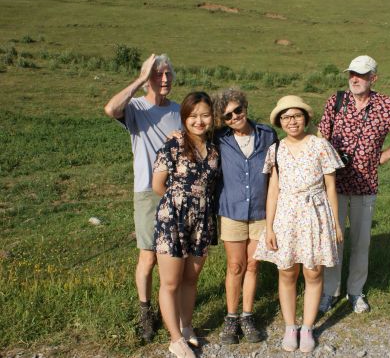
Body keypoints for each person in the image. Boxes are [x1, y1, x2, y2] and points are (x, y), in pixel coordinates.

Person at [317, 55, 390, 314]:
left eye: (362, 74)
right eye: (352, 74)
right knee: (333, 240)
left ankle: (355, 292)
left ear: (373, 78)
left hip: (366, 184)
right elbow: (321, 134)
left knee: (361, 242)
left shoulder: (385, 105)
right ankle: (329, 292)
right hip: (335, 184)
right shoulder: (337, 101)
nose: (355, 79)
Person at [254, 95, 344, 353]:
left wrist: (336, 224)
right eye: (286, 117)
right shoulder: (276, 150)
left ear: (305, 118)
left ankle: (307, 327)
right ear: (280, 121)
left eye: (296, 116)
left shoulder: (320, 146)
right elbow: (273, 191)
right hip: (286, 216)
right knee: (287, 270)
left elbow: (330, 186)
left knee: (313, 271)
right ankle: (290, 326)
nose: (291, 121)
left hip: (315, 214)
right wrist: (269, 227)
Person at [103, 53, 181, 341]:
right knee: (148, 256)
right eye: (157, 75)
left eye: (168, 75)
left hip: (176, 193)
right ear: (148, 78)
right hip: (147, 193)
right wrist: (138, 79)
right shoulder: (134, 108)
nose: (164, 80)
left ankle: (167, 306)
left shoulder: (178, 110)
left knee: (170, 256)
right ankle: (145, 311)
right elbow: (111, 109)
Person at [152, 92, 220, 358]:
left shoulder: (215, 149)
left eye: (204, 115)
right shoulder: (173, 144)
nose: (199, 121)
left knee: (191, 279)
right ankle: (175, 339)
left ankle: (186, 325)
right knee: (170, 282)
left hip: (203, 220)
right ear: (184, 118)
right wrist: (179, 203)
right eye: (193, 116)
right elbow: (158, 185)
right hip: (173, 219)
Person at [213, 89, 277, 344]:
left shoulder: (267, 135)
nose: (234, 117)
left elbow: (276, 172)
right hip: (232, 210)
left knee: (253, 265)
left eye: (237, 110)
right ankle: (231, 317)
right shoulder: (220, 138)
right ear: (222, 120)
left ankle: (247, 316)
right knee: (235, 265)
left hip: (261, 211)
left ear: (245, 107)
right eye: (227, 115)